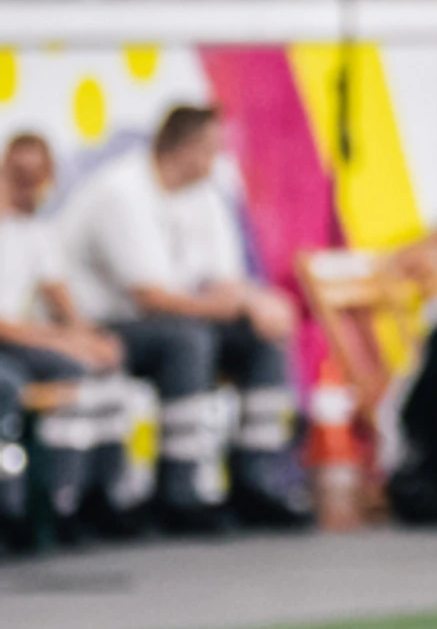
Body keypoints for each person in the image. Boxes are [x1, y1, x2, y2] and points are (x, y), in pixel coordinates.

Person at [52, 102, 307, 530]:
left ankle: (256, 481)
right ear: (184, 149)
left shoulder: (204, 194)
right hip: (101, 324)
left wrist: (264, 303)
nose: (219, 159)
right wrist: (243, 305)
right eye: (212, 149)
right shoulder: (122, 192)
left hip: (174, 322)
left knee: (260, 338)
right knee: (188, 341)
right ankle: (178, 490)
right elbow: (152, 297)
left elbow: (223, 281)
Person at [0, 132, 142, 547]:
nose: (29, 185)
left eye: (37, 175)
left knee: (99, 369)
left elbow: (61, 301)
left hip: (24, 342)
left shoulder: (36, 232)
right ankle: (16, 507)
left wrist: (91, 338)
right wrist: (65, 341)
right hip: (12, 344)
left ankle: (86, 496)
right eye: (20, 174)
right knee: (12, 386)